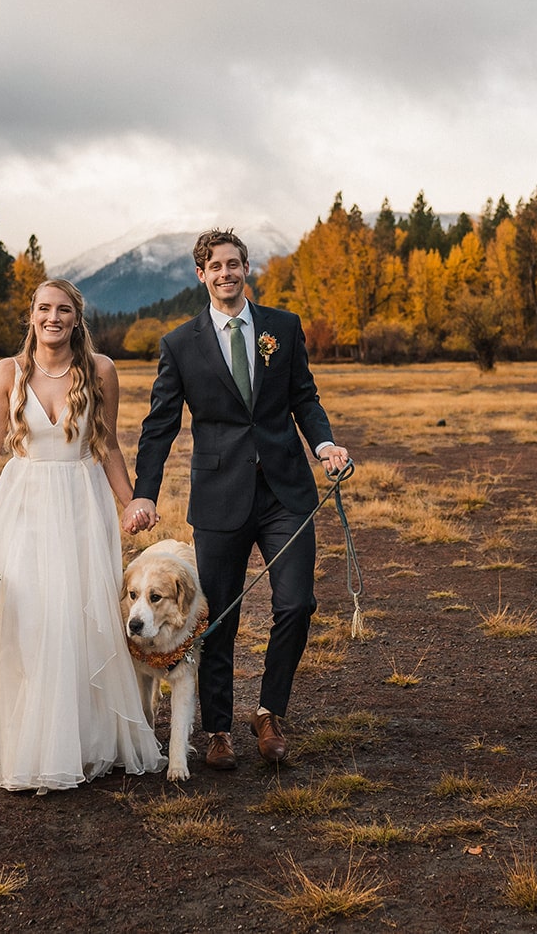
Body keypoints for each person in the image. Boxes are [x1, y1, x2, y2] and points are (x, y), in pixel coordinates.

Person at [125, 229, 350, 769]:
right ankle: (219, 729)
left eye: (234, 264)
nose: (226, 273)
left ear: (247, 268)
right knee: (219, 616)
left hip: (285, 492)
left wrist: (325, 446)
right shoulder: (180, 344)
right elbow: (160, 425)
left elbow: (304, 397)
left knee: (297, 604)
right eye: (215, 266)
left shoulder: (283, 328)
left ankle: (269, 712)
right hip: (220, 496)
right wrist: (144, 494)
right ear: (201, 275)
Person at [0, 278, 165, 792]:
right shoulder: (8, 372)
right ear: (32, 315)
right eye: (44, 308)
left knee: (77, 615)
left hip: (82, 503)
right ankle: (30, 742)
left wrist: (130, 501)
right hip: (24, 506)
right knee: (27, 617)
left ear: (76, 318)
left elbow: (107, 446)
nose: (53, 318)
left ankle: (85, 741)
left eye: (64, 309)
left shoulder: (100, 370)